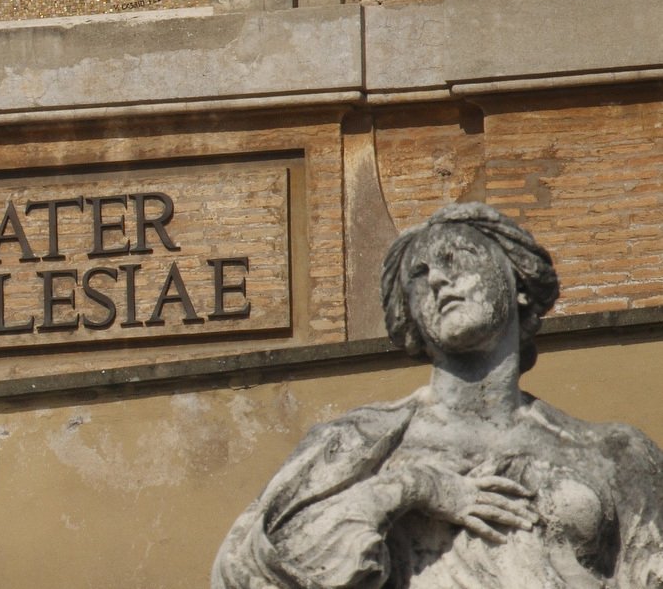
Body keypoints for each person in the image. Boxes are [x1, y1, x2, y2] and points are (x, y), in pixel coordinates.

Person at [213, 204, 663, 588]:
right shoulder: (356, 442)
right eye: (419, 275)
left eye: (459, 257)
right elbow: (246, 571)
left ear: (519, 282)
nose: (438, 280)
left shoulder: (613, 453)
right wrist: (410, 487)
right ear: (409, 318)